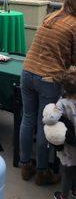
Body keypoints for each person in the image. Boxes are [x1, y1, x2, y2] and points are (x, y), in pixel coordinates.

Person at [19, 0, 76, 185]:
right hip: (48, 79)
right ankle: (43, 172)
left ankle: (25, 165)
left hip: (27, 72)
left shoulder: (51, 17)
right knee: (45, 124)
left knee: (27, 120)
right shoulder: (74, 25)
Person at [43, 68, 76, 199]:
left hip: (69, 145)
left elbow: (51, 119)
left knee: (67, 172)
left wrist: (44, 119)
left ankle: (63, 196)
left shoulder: (62, 104)